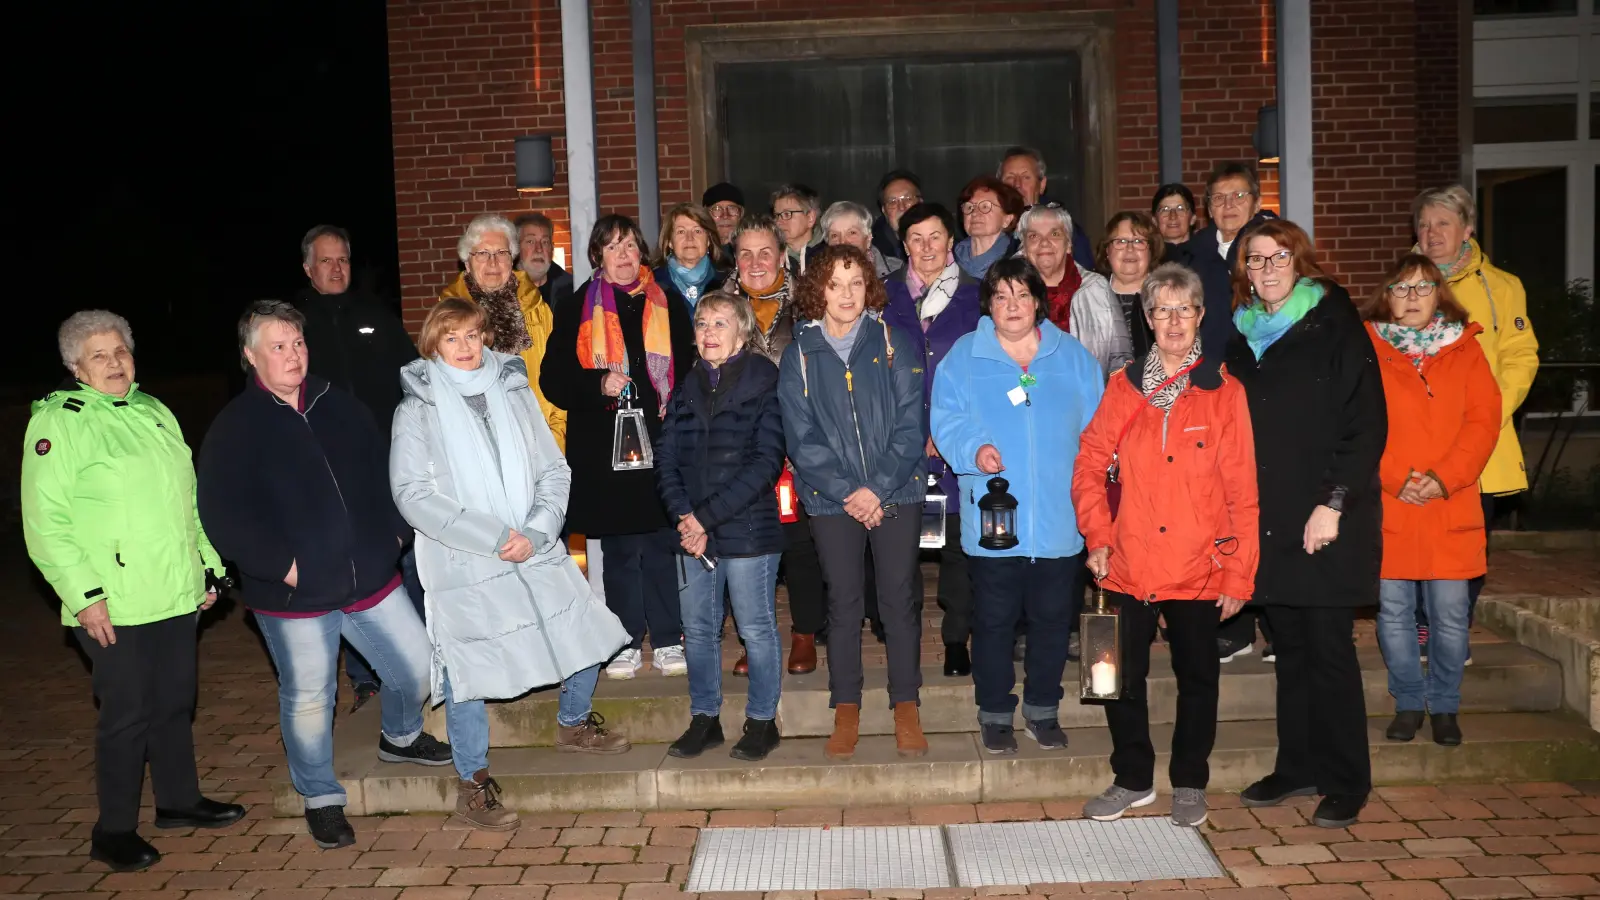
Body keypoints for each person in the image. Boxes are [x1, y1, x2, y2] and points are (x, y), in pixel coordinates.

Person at [197, 301, 451, 850]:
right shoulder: (234, 428)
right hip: (294, 595)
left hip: (370, 578)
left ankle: (401, 736)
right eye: (278, 347)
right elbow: (222, 515)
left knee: (418, 669)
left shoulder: (341, 405)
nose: (292, 355)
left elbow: (386, 472)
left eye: (298, 344)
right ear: (250, 356)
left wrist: (392, 538)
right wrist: (284, 568)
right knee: (311, 695)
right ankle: (320, 797)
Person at [391, 299, 632, 832]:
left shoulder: (513, 389)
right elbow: (412, 494)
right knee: (467, 668)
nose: (466, 346)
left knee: (583, 626)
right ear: (434, 345)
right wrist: (497, 537)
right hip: (465, 557)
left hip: (534, 540)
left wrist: (540, 528)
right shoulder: (418, 409)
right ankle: (474, 783)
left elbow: (553, 467)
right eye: (452, 337)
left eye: (473, 335)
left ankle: (572, 723)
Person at [22, 311, 245, 872]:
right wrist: (84, 596)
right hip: (111, 602)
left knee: (174, 702)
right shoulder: (60, 423)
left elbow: (186, 502)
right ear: (76, 366)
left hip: (171, 591)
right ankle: (112, 830)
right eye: (99, 355)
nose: (115, 363)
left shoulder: (154, 411)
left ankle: (177, 801)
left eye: (121, 351)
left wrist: (207, 568)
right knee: (127, 713)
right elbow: (46, 523)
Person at [1071, 263, 1260, 827]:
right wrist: (1098, 536)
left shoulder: (1223, 392)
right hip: (1126, 560)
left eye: (1185, 309)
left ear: (1201, 316)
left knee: (1198, 678)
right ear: (1147, 320)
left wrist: (1237, 573)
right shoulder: (1123, 387)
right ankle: (1132, 778)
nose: (1174, 321)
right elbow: (1087, 467)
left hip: (1198, 564)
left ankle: (1190, 781)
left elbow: (1242, 491)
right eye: (1162, 311)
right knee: (1115, 676)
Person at [1222, 220, 1385, 829]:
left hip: (1323, 514)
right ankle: (1298, 765)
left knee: (1327, 650)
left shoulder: (1335, 323)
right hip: (1267, 517)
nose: (1266, 268)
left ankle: (1347, 779)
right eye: (1254, 259)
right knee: (1286, 648)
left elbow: (1365, 423)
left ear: (1300, 261)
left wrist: (1334, 502)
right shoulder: (1239, 334)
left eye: (1277, 257)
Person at [931, 257, 1103, 755]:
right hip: (994, 520)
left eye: (1022, 296)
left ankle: (1044, 710)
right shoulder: (965, 357)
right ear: (989, 303)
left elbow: (1098, 431)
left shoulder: (1071, 358)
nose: (1012, 306)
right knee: (993, 622)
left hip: (1059, 520)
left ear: (1037, 302)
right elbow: (947, 420)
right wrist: (974, 450)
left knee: (1052, 622)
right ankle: (995, 712)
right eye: (1002, 296)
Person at [777, 244, 928, 760]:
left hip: (896, 491)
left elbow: (911, 427)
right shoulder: (798, 353)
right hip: (830, 498)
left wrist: (877, 488)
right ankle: (846, 709)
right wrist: (850, 492)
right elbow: (800, 437)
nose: (846, 294)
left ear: (870, 288)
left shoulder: (894, 343)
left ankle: (905, 705)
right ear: (817, 289)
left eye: (856, 283)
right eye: (835, 284)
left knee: (898, 599)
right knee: (842, 604)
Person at [540, 215, 695, 679]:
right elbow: (552, 380)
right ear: (597, 258)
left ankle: (668, 638)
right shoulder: (575, 308)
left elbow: (688, 370)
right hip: (605, 450)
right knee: (621, 551)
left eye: (630, 246)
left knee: (660, 543)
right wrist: (597, 383)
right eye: (612, 248)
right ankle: (626, 640)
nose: (624, 256)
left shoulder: (666, 302)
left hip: (661, 443)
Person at [1363, 255, 1500, 747]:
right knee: (1394, 612)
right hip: (1391, 501)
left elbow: (1483, 423)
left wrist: (1444, 479)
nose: (1413, 297)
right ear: (1387, 298)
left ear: (1440, 295)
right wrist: (1395, 477)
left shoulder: (1467, 349)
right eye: (1402, 288)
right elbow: (1359, 421)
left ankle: (1444, 706)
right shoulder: (1368, 349)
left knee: (1448, 614)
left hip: (1450, 501)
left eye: (1424, 287)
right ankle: (1407, 703)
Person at [290, 224, 421, 701]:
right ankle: (365, 677)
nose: (336, 268)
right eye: (326, 261)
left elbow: (411, 375)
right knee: (348, 566)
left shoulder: (375, 314)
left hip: (385, 462)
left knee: (400, 560)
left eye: (342, 258)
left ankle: (417, 660)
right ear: (308, 268)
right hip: (326, 469)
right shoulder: (294, 325)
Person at [658, 293, 787, 762]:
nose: (709, 331)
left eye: (720, 323)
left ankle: (761, 721)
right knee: (698, 628)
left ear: (743, 332)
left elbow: (765, 463)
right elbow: (666, 457)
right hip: (693, 532)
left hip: (748, 530)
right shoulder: (687, 385)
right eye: (702, 323)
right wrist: (683, 516)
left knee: (755, 629)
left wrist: (702, 519)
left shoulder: (763, 381)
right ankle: (705, 719)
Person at [1411, 186, 1538, 632]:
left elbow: (1521, 357)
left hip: (1479, 441)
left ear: (1467, 229)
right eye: (1424, 224)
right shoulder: (1402, 284)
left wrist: (1488, 412)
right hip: (1419, 438)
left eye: (1443, 223)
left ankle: (1452, 626)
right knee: (1418, 536)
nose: (1431, 233)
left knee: (1469, 540)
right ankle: (1427, 623)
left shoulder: (1502, 286)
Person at [1173, 162, 1277, 662]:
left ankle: (1274, 621)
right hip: (1206, 394)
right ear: (1206, 206)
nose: (1229, 206)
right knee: (1216, 506)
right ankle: (1231, 625)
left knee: (1264, 505)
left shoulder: (1274, 250)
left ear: (1256, 201)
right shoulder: (1191, 255)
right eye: (1218, 198)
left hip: (1264, 396)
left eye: (1238, 197)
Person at [718, 213, 822, 674]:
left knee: (800, 543)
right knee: (750, 544)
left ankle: (804, 634)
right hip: (742, 445)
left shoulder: (809, 302)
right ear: (734, 259)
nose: (756, 262)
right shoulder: (718, 306)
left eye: (766, 252)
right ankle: (754, 637)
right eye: (746, 253)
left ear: (783, 256)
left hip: (801, 439)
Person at [882, 201, 981, 676]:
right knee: (900, 545)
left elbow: (985, 370)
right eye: (916, 239)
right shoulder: (881, 296)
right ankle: (901, 634)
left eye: (935, 237)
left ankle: (957, 636)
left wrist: (946, 434)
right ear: (904, 245)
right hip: (899, 441)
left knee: (958, 545)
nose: (926, 248)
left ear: (951, 242)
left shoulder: (978, 297)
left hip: (956, 439)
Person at [442, 215, 567, 451]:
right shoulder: (447, 316)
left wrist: (553, 445)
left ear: (512, 260)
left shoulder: (536, 310)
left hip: (533, 442)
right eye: (482, 254)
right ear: (467, 263)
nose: (493, 263)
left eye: (501, 253)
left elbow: (557, 384)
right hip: (472, 447)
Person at [1017, 204, 1132, 377]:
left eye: (1055, 234)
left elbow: (1120, 358)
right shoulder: (1007, 293)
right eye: (1034, 236)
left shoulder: (1096, 288)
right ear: (1024, 248)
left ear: (1069, 244)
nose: (1045, 242)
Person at [997, 146, 1096, 267]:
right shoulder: (988, 223)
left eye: (1026, 177)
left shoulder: (1062, 226)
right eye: (1010, 178)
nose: (1017, 184)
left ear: (1042, 185)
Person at [1097, 212, 1162, 357]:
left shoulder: (1167, 295)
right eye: (1120, 241)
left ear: (1151, 251)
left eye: (1139, 241)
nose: (1130, 249)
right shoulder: (1090, 295)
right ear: (1107, 250)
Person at [654, 202, 728, 313]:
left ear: (708, 240)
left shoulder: (727, 281)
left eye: (697, 231)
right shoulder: (651, 283)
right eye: (681, 232)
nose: (690, 238)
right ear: (669, 242)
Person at [954, 176, 1024, 279]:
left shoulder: (1017, 265)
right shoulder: (946, 260)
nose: (974, 213)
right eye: (969, 207)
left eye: (985, 207)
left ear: (1007, 220)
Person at [823, 200, 902, 280]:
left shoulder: (897, 270)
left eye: (852, 232)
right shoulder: (819, 276)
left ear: (868, 239)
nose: (842, 242)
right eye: (834, 235)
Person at [517, 212, 575, 308]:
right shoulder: (502, 291)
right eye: (530, 241)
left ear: (552, 248)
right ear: (517, 248)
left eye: (545, 242)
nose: (539, 249)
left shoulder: (572, 290)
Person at [873, 169, 922, 265]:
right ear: (884, 211)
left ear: (920, 203)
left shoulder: (946, 244)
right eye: (892, 202)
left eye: (908, 199)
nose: (901, 207)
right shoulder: (873, 253)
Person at [774, 183, 825, 276]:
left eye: (787, 214)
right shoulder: (771, 258)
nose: (778, 222)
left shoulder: (828, 257)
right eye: (776, 216)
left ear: (810, 218)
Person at [704, 182, 746, 251]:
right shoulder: (698, 253)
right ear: (706, 215)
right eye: (717, 209)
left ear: (741, 214)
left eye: (732, 208)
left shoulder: (751, 250)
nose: (725, 216)